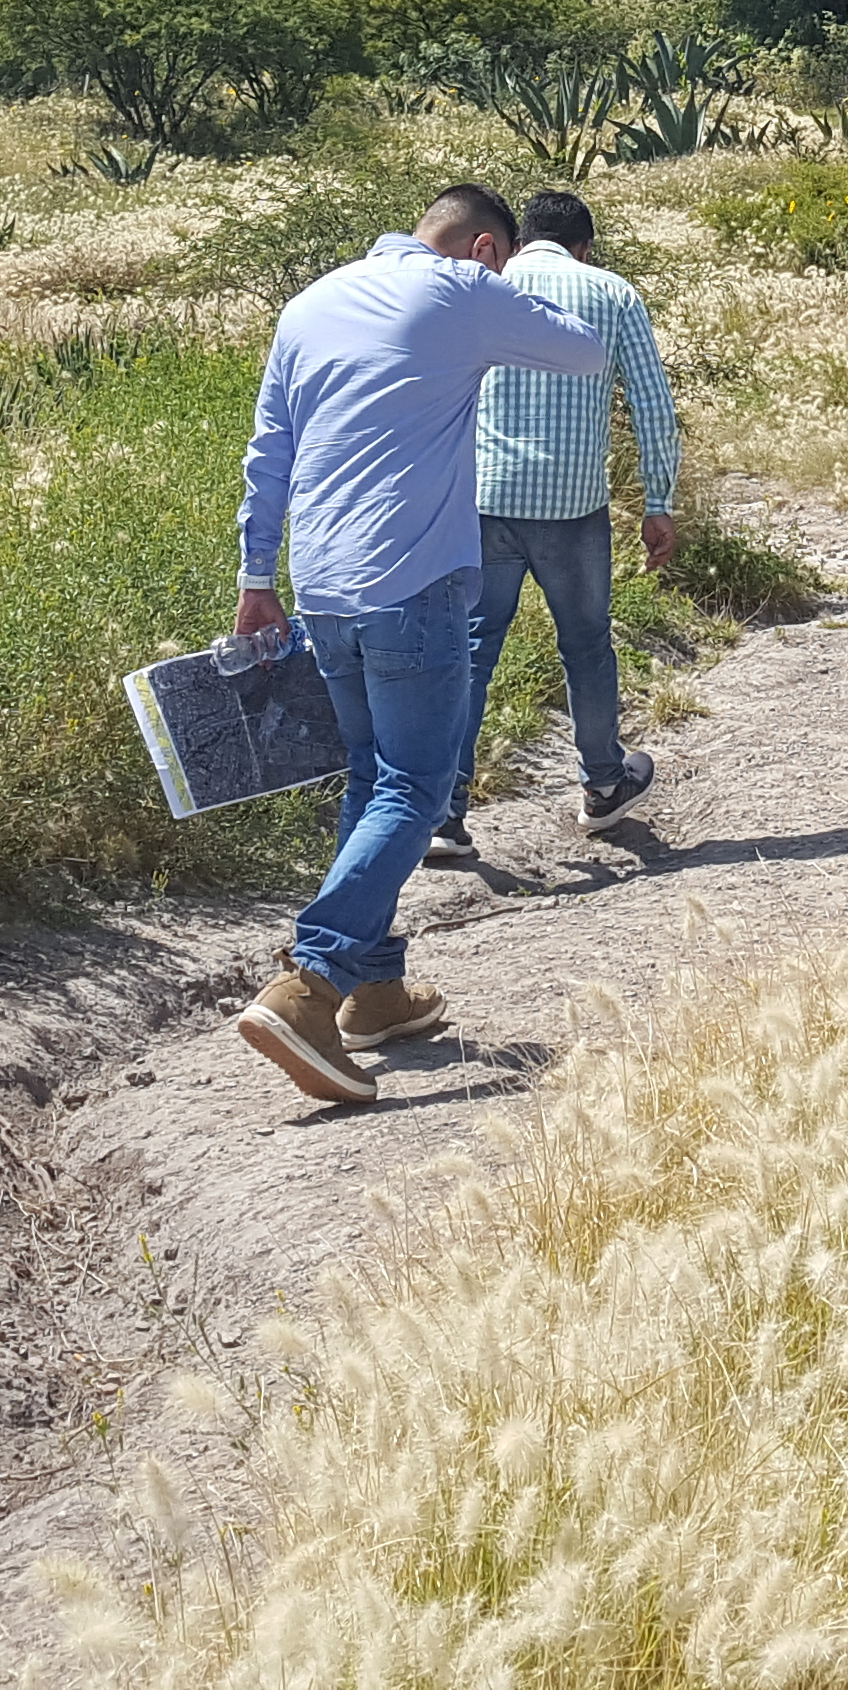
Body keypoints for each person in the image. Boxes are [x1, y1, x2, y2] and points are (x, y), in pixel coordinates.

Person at [224, 182, 609, 1106]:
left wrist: (255, 576)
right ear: (484, 249)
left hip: (322, 586)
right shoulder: (463, 289)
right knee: (419, 785)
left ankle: (377, 994)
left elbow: (268, 450)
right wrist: (512, 286)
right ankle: (311, 984)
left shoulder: (311, 302)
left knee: (371, 777)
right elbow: (584, 350)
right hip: (413, 582)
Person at [462, 187, 683, 842]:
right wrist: (658, 503)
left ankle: (443, 810)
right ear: (583, 247)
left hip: (485, 501)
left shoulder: (482, 288)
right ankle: (604, 784)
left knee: (472, 651)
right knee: (586, 646)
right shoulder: (612, 293)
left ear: (520, 240)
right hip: (572, 506)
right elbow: (652, 406)